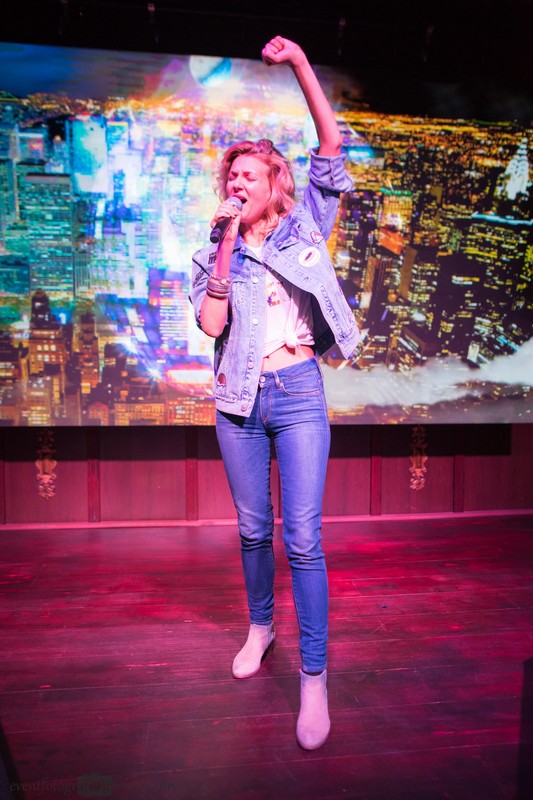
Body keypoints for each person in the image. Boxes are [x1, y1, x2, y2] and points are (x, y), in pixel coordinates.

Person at [189, 35, 359, 750]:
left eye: (249, 175)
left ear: (273, 184)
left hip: (297, 392)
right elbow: (211, 324)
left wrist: (298, 64)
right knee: (253, 530)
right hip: (238, 403)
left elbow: (331, 146)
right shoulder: (211, 251)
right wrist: (226, 246)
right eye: (231, 175)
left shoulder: (304, 226)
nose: (237, 182)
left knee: (303, 537)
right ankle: (260, 628)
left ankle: (314, 678)